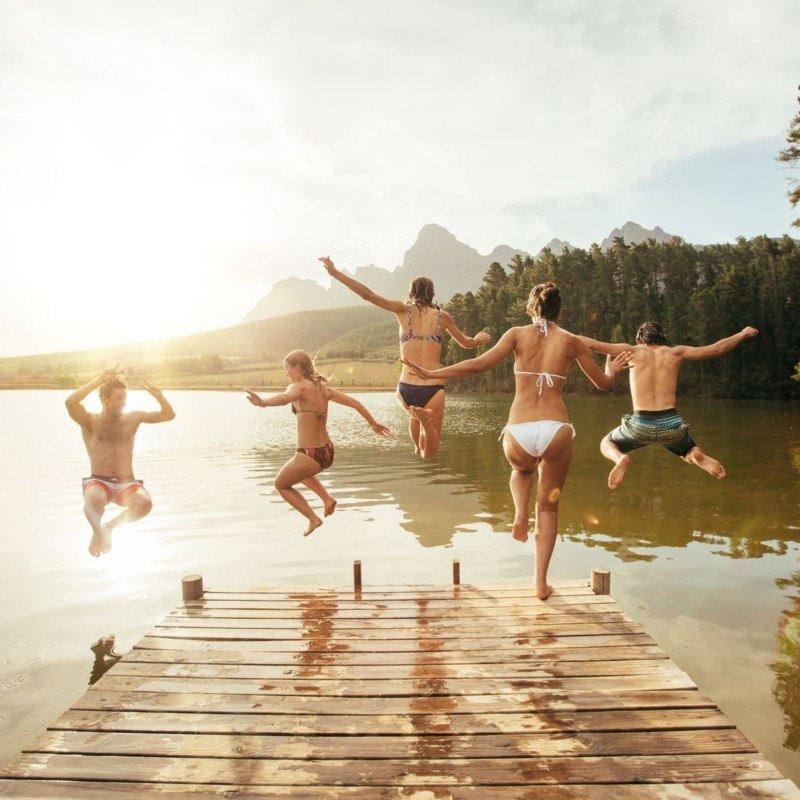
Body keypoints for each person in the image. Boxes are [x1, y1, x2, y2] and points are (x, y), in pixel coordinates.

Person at [402, 282, 630, 599]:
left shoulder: (516, 334)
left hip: (519, 430)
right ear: (559, 310)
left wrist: (433, 374)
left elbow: (478, 365)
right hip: (555, 428)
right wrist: (612, 367)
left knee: (522, 470)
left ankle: (520, 512)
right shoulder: (572, 341)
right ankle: (540, 583)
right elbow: (603, 384)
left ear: (529, 308)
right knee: (549, 510)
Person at [318, 255, 491, 459]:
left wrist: (336, 274)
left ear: (411, 293)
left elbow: (368, 295)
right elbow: (466, 343)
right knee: (429, 453)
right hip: (432, 387)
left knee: (416, 436)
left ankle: (419, 428)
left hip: (405, 387)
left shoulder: (402, 310)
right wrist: (478, 339)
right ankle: (426, 422)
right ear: (432, 294)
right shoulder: (442, 317)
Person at [580, 322, 759, 489]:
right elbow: (717, 348)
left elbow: (591, 344)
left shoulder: (630, 351)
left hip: (640, 425)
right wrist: (742, 334)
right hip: (671, 426)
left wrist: (554, 332)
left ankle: (620, 459)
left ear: (640, 338)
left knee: (607, 442)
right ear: (662, 337)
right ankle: (695, 455)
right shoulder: (675, 352)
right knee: (687, 450)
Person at [245, 349, 391, 536]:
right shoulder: (324, 389)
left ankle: (313, 518)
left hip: (310, 453)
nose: (286, 373)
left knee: (281, 484)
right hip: (327, 452)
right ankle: (327, 499)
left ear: (297, 368)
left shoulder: (299, 386)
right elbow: (355, 402)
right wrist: (373, 423)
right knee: (298, 471)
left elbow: (285, 398)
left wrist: (263, 402)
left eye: (286, 368)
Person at [65, 366, 175, 558]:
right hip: (99, 481)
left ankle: (109, 527)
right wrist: (99, 379)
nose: (123, 403)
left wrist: (159, 395)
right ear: (105, 399)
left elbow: (168, 415)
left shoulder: (133, 418)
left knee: (145, 503)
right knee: (94, 499)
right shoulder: (89, 420)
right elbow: (70, 401)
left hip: (127, 482)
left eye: (125, 399)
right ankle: (98, 533)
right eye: (118, 399)